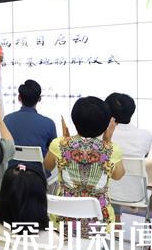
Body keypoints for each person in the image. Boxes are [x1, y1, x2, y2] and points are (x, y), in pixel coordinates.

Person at [44, 97, 125, 233]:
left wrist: (64, 142)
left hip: (62, 220)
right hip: (100, 222)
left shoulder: (59, 144)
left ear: (74, 120)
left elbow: (47, 166)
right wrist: (107, 142)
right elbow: (118, 175)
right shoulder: (112, 149)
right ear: (105, 125)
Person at [105, 92, 152, 222]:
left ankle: (116, 219)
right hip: (136, 195)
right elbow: (145, 154)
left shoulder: (101, 137)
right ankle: (119, 218)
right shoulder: (145, 135)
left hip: (105, 194)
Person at [4, 79, 57, 165]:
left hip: (11, 171)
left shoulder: (7, 120)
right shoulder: (49, 124)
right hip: (38, 171)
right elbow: (53, 151)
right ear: (39, 99)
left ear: (19, 98)